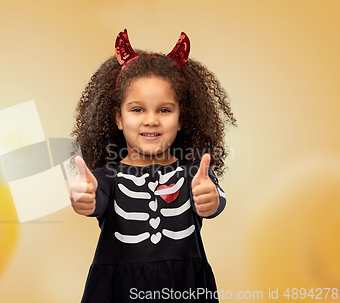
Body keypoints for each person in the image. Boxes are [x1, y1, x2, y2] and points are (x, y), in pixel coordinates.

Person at [70, 29, 237, 302]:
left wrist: (212, 201)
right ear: (118, 118)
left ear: (181, 119)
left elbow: (215, 198)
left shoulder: (195, 174)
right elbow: (95, 199)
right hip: (117, 292)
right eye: (137, 109)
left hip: (186, 289)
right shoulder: (107, 177)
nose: (151, 120)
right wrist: (83, 198)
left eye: (164, 110)